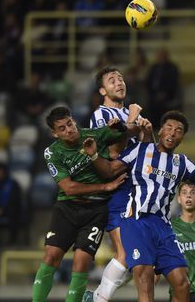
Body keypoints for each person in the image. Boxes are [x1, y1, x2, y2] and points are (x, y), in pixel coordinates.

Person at [82, 110, 195, 302]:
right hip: (136, 222)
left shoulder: (182, 162)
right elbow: (109, 170)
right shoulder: (140, 150)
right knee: (145, 280)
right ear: (160, 131)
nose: (172, 132)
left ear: (182, 138)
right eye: (168, 127)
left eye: (178, 131)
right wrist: (94, 155)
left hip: (163, 226)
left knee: (182, 283)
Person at [32, 106, 144, 302]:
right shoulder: (52, 153)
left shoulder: (93, 135)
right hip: (68, 208)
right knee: (51, 256)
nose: (69, 130)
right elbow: (69, 188)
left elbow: (133, 131)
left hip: (95, 211)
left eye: (70, 124)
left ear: (73, 120)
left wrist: (121, 127)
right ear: (54, 133)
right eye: (62, 128)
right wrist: (105, 186)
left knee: (81, 262)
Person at [84, 66, 152, 302]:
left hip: (140, 189)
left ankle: (96, 296)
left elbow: (145, 151)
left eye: (121, 78)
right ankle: (97, 299)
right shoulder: (100, 115)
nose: (119, 82)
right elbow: (114, 152)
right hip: (119, 187)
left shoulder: (130, 115)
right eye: (112, 80)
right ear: (103, 90)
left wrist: (145, 132)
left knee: (141, 259)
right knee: (126, 254)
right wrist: (133, 119)